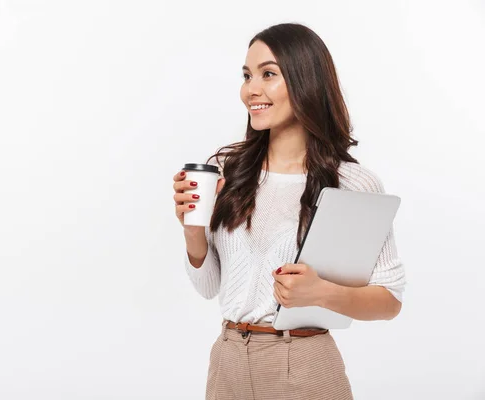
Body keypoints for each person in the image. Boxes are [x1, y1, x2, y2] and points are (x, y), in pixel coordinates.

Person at [172, 23, 406, 400]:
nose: (252, 90)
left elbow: (389, 301)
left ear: (305, 81)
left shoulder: (350, 183)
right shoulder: (226, 169)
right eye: (247, 76)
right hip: (228, 360)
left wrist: (320, 292)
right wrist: (192, 231)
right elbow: (209, 287)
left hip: (302, 363)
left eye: (268, 74)